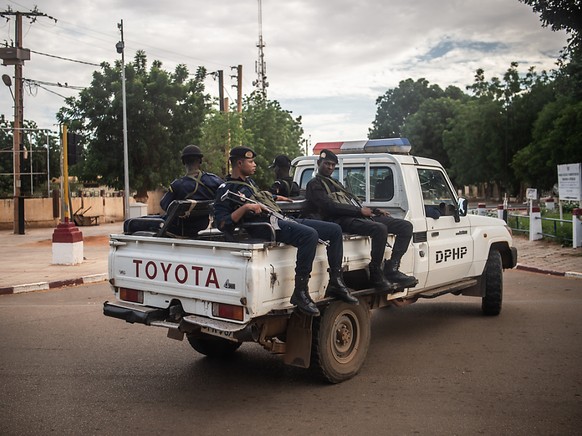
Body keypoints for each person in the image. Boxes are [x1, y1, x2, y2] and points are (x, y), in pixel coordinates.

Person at [213, 146, 358, 316]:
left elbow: (258, 196)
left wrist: (275, 197)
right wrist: (245, 208)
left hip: (279, 219)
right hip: (264, 227)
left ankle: (335, 280)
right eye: (251, 161)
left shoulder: (249, 183)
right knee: (309, 235)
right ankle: (300, 292)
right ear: (239, 162)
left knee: (334, 230)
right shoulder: (226, 189)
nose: (254, 165)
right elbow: (222, 222)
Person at [304, 149, 417, 291]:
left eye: (333, 165)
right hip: (338, 220)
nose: (330, 167)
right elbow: (328, 206)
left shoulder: (335, 183)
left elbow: (351, 202)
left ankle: (392, 268)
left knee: (405, 226)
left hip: (354, 215)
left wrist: (374, 211)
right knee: (380, 229)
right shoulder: (314, 184)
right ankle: (376, 273)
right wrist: (359, 211)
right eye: (327, 164)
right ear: (319, 163)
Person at [160, 145, 223, 237]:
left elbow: (164, 205)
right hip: (203, 226)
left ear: (183, 162)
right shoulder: (215, 181)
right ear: (200, 161)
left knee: (133, 222)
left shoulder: (177, 185)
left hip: (179, 229)